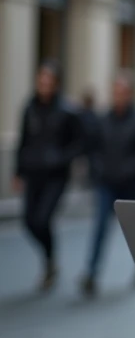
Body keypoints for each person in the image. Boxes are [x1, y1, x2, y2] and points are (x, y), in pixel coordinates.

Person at [12, 62, 86, 291]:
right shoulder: (30, 108)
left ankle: (50, 261)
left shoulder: (67, 111)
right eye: (40, 80)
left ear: (56, 84)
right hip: (33, 173)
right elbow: (23, 141)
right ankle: (50, 259)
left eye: (48, 81)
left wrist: (60, 158)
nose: (43, 85)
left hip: (55, 176)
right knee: (29, 222)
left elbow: (79, 143)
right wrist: (17, 172)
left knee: (43, 219)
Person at [82, 71, 135, 297]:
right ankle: (91, 273)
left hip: (131, 184)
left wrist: (130, 169)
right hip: (107, 183)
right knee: (100, 227)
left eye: (122, 92)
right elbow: (93, 148)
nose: (118, 96)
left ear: (130, 94)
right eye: (115, 92)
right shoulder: (103, 120)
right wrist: (98, 169)